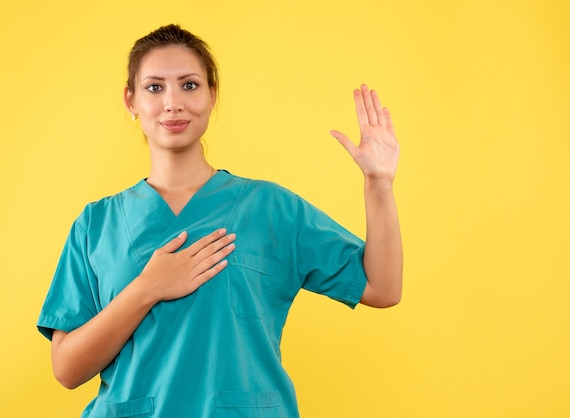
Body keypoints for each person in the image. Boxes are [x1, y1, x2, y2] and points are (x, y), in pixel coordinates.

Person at [37, 24, 402, 417]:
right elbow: (67, 369)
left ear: (212, 95)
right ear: (131, 100)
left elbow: (382, 288)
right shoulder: (96, 225)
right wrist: (147, 288)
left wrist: (378, 183)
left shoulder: (271, 208)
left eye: (189, 85)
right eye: (155, 87)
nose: (173, 103)